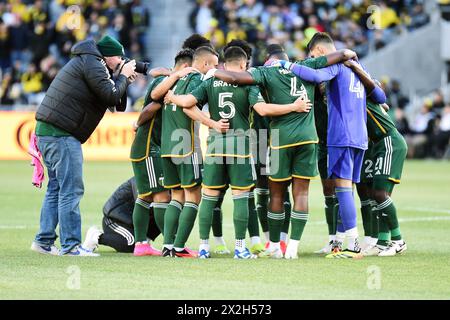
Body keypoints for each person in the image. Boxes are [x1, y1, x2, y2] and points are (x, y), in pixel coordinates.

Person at [206, 43, 355, 259]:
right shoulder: (306, 65)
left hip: (280, 139)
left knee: (275, 193)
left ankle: (275, 245)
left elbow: (236, 79)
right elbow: (341, 55)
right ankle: (292, 248)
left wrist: (213, 71)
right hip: (308, 138)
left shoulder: (264, 72)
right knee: (301, 193)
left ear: (269, 60)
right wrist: (350, 55)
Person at [165, 46, 310, 259]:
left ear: (224, 64)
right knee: (241, 197)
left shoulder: (210, 81)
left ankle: (204, 247)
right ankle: (240, 248)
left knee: (209, 197)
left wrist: (178, 101)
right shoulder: (247, 82)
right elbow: (262, 110)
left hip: (215, 146)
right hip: (240, 147)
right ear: (243, 65)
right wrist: (294, 107)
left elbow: (188, 105)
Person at [276, 32, 387, 259]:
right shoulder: (358, 67)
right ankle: (342, 240)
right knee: (346, 188)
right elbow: (381, 97)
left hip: (342, 135)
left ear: (321, 52)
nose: (314, 58)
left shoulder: (339, 66)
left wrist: (286, 65)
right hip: (360, 137)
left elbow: (316, 76)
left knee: (343, 188)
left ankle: (353, 244)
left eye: (314, 55)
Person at [31, 35, 137, 256]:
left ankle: (43, 241)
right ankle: (70, 246)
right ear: (108, 56)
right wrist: (123, 77)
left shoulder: (88, 61)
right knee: (71, 189)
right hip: (62, 133)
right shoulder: (93, 63)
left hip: (50, 131)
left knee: (56, 188)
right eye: (119, 57)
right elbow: (110, 94)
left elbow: (117, 102)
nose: (121, 61)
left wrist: (122, 78)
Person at [151, 46, 226, 258]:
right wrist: (212, 123)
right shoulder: (197, 79)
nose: (216, 68)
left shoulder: (175, 80)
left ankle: (168, 245)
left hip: (167, 146)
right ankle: (179, 247)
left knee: (176, 196)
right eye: (214, 64)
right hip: (186, 145)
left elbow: (157, 94)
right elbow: (188, 107)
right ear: (204, 64)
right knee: (193, 197)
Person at [83, 178, 161, 253]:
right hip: (115, 220)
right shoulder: (142, 178)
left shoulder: (162, 180)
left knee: (162, 210)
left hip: (131, 222)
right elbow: (141, 203)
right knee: (131, 244)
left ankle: (145, 242)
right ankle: (96, 236)